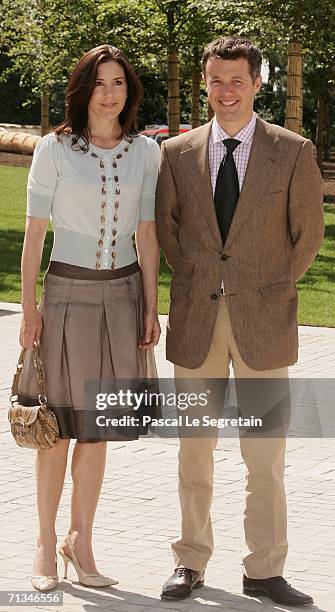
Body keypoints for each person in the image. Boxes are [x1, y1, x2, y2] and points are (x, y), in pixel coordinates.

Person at [155, 37, 324, 605]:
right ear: (205, 84)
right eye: (216, 81)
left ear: (257, 83)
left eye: (237, 81)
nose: (226, 92)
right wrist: (204, 278)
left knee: (265, 458)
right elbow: (169, 231)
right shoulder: (175, 153)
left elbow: (309, 236)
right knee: (193, 451)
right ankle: (190, 561)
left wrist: (269, 285)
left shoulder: (293, 151)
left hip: (264, 320)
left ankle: (265, 569)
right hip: (196, 319)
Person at [19, 44, 161, 592]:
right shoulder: (53, 149)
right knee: (55, 429)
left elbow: (146, 234)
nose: (110, 93)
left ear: (129, 90)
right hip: (64, 296)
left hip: (121, 296)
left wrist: (151, 305)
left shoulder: (147, 153)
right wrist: (29, 307)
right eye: (100, 83)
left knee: (97, 430)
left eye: (119, 83)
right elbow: (34, 235)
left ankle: (81, 541)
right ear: (84, 89)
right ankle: (44, 541)